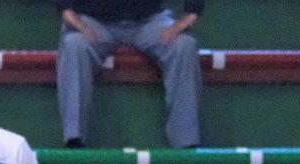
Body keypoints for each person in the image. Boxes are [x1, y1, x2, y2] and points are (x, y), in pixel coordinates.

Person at [55, 0, 203, 149]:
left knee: (184, 46)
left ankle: (186, 144)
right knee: (74, 44)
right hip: (93, 21)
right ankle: (74, 140)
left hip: (150, 20)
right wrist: (66, 9)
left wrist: (192, 13)